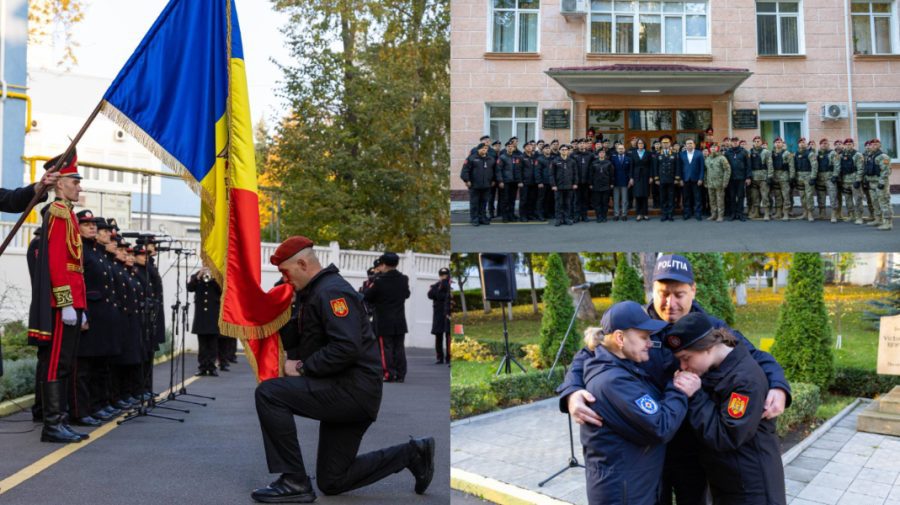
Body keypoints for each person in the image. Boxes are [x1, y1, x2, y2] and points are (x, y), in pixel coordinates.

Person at [558, 254, 791, 505]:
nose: (670, 303)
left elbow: (754, 356)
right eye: (663, 293)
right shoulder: (635, 324)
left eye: (679, 294)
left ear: (693, 290)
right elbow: (591, 352)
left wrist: (779, 386)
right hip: (647, 444)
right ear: (653, 290)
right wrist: (571, 392)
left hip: (693, 443)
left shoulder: (709, 328)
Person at [251, 236, 434, 503]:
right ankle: (412, 453)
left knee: (269, 393)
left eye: (285, 273)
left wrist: (301, 367)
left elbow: (346, 347)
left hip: (352, 391)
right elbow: (301, 340)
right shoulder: (310, 293)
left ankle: (293, 480)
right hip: (342, 389)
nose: (284, 279)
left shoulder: (331, 292)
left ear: (302, 263)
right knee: (333, 480)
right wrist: (268, 314)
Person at [580, 301, 698, 505]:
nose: (650, 344)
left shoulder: (623, 368)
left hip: (632, 489)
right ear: (620, 338)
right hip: (625, 495)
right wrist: (679, 389)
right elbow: (660, 426)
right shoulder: (614, 381)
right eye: (644, 337)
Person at [666, 313, 786, 505]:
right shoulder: (720, 368)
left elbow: (725, 436)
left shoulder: (744, 380)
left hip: (751, 488)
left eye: (686, 358)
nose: (683, 366)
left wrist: (695, 396)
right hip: (730, 482)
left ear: (707, 348)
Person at [27, 151, 90, 443]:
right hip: (59, 303)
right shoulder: (57, 213)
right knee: (55, 363)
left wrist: (81, 306)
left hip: (72, 301)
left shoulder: (70, 215)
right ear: (60, 184)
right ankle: (52, 425)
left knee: (65, 363)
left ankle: (60, 420)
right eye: (74, 181)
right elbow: (56, 262)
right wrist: (65, 302)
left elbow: (75, 266)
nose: (79, 187)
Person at [363, 252, 411, 382]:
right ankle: (401, 374)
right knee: (399, 347)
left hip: (384, 319)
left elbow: (367, 295)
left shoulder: (379, 281)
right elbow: (407, 294)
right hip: (399, 319)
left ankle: (389, 374)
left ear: (383, 264)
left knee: (386, 349)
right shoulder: (404, 279)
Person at [187, 267, 222, 377]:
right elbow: (190, 288)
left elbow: (222, 291)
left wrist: (215, 278)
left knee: (213, 344)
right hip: (201, 316)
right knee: (202, 344)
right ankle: (202, 367)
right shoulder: (196, 276)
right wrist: (198, 276)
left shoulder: (218, 277)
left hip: (213, 315)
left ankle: (212, 367)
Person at [863, 138, 893, 231]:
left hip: (880, 183)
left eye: (876, 144)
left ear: (880, 145)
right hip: (872, 183)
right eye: (872, 144)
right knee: (875, 202)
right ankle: (878, 219)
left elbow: (886, 171)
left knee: (884, 202)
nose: (873, 146)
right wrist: (866, 181)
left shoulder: (883, 157)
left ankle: (888, 223)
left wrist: (882, 182)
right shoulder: (870, 156)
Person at [837, 138, 866, 225]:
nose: (848, 145)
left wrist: (858, 180)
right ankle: (851, 215)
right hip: (845, 181)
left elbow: (861, 169)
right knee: (847, 199)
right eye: (846, 144)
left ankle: (859, 217)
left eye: (850, 144)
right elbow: (839, 168)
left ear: (853, 145)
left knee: (857, 199)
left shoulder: (858, 155)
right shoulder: (842, 155)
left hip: (854, 180)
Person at [766, 137, 794, 222]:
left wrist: (792, 177)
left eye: (779, 142)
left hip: (784, 176)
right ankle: (778, 212)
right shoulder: (771, 153)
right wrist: (770, 176)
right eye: (776, 142)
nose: (778, 143)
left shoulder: (787, 153)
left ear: (782, 144)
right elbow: (769, 165)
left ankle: (785, 213)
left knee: (785, 195)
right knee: (777, 195)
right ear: (774, 144)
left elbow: (791, 166)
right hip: (775, 177)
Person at [428, 267, 451, 364]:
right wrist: (438, 291)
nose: (443, 277)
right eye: (442, 275)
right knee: (438, 336)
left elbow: (443, 295)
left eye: (445, 275)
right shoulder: (437, 285)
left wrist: (439, 291)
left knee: (448, 336)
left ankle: (449, 357)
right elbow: (430, 294)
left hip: (447, 313)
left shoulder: (449, 285)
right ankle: (439, 357)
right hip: (438, 314)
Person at [653, 136, 680, 222]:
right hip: (661, 180)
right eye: (664, 143)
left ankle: (670, 214)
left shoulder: (674, 154)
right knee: (663, 197)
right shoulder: (658, 154)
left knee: (671, 197)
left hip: (671, 179)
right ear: (661, 144)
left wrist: (677, 178)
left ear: (670, 144)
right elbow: (655, 167)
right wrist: (656, 179)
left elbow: (677, 167)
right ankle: (664, 214)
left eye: (667, 143)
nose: (665, 144)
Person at [550, 144, 578, 226]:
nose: (564, 151)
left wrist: (575, 183)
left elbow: (575, 173)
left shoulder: (572, 161)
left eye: (566, 149)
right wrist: (553, 185)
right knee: (559, 204)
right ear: (559, 151)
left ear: (568, 151)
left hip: (569, 186)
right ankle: (558, 219)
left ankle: (567, 218)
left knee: (567, 203)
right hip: (558, 187)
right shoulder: (555, 161)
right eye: (562, 149)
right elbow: (551, 174)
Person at [724, 137, 750, 221]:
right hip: (731, 179)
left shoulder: (744, 152)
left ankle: (740, 214)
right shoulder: (727, 153)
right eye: (733, 141)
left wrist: (748, 177)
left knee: (740, 196)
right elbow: (725, 167)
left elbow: (748, 165)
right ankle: (733, 214)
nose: (735, 143)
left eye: (736, 141)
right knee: (732, 197)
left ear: (739, 142)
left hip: (741, 178)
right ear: (731, 143)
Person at [703, 143, 730, 222]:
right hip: (710, 183)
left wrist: (725, 181)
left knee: (720, 200)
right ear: (709, 149)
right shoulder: (707, 159)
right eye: (711, 148)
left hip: (720, 183)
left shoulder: (722, 158)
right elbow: (706, 171)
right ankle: (713, 214)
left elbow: (727, 170)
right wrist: (705, 181)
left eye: (714, 147)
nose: (713, 149)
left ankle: (720, 215)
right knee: (712, 200)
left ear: (717, 148)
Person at [793, 138, 818, 222]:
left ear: (806, 144)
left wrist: (813, 177)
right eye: (800, 142)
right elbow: (794, 166)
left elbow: (814, 166)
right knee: (802, 196)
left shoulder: (810, 153)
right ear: (798, 144)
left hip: (808, 177)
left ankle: (810, 213)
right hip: (799, 177)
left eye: (803, 142)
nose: (802, 144)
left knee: (809, 195)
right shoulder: (796, 154)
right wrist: (794, 177)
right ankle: (805, 212)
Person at [679, 139, 705, 221]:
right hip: (685, 179)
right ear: (685, 145)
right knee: (686, 198)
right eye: (687, 143)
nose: (689, 145)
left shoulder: (699, 154)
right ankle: (687, 213)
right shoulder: (681, 154)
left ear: (694, 144)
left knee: (697, 197)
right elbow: (679, 168)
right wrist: (680, 179)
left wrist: (701, 178)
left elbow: (702, 168)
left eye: (691, 143)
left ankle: (698, 213)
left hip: (696, 179)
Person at [630, 139, 653, 221]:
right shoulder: (633, 153)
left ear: (644, 144)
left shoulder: (648, 153)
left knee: (645, 195)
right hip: (636, 176)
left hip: (646, 175)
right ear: (637, 144)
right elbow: (631, 166)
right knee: (638, 195)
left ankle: (645, 213)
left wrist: (651, 177)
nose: (640, 144)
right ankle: (639, 214)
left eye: (642, 143)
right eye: (639, 143)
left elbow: (651, 166)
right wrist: (631, 178)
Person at [815, 139, 837, 222]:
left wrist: (835, 175)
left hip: (829, 178)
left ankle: (833, 214)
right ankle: (822, 213)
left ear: (829, 145)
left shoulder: (833, 153)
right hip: (820, 178)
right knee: (820, 196)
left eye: (826, 143)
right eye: (822, 144)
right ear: (820, 145)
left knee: (832, 196)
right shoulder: (817, 153)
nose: (824, 145)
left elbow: (837, 165)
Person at [588, 148, 613, 223]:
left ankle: (604, 216)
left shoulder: (609, 163)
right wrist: (590, 183)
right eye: (600, 152)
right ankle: (598, 216)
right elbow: (591, 174)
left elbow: (612, 174)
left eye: (603, 152)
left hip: (606, 185)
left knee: (605, 202)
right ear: (598, 154)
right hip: (596, 185)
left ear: (605, 154)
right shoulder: (594, 163)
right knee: (597, 202)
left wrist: (611, 183)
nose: (602, 153)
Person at [610, 143, 632, 221]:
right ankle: (616, 214)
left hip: (625, 181)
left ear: (624, 150)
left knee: (625, 199)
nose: (620, 150)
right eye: (619, 148)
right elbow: (611, 171)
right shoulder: (613, 159)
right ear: (616, 150)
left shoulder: (628, 159)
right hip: (615, 181)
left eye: (622, 148)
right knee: (616, 200)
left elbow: (630, 170)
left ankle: (624, 214)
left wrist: (630, 179)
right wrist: (611, 181)